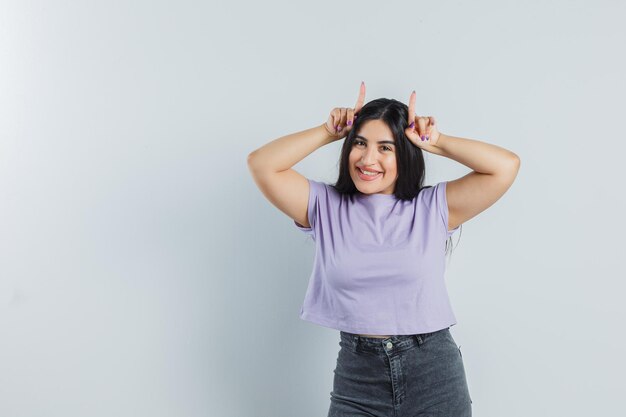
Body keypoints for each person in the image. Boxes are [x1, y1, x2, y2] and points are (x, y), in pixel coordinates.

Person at [247, 81, 520, 416]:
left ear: (404, 154)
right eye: (359, 143)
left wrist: (437, 141)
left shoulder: (432, 206)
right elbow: (262, 164)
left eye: (385, 148)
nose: (368, 158)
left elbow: (505, 166)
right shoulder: (325, 206)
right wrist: (326, 131)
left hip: (433, 374)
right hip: (357, 378)